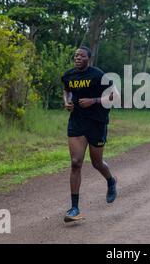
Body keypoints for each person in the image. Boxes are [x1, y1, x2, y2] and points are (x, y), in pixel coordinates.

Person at [61, 46, 119, 222]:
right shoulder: (68, 75)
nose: (77, 58)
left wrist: (94, 101)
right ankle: (74, 208)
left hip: (97, 123)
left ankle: (110, 180)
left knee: (96, 162)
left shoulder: (98, 75)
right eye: (75, 55)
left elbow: (115, 96)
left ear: (89, 59)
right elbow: (66, 90)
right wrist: (67, 102)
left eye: (81, 56)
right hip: (77, 122)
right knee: (76, 162)